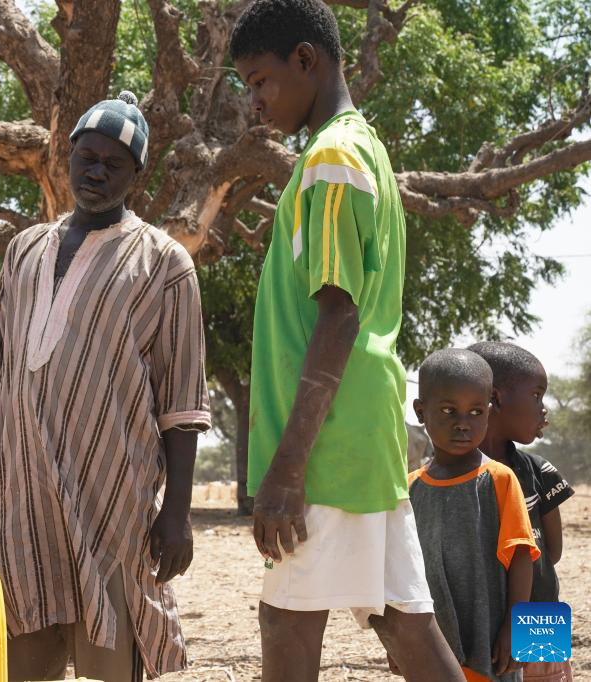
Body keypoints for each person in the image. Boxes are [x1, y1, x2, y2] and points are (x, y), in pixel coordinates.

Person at [229, 2, 465, 680]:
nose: (254, 101)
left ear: (305, 59)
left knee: (285, 622)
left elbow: (338, 316)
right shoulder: (359, 149)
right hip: (362, 438)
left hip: (326, 447)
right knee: (403, 625)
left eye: (259, 81)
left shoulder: (332, 157)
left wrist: (287, 466)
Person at [0, 91, 211, 682]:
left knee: (113, 658)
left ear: (136, 175)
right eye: (87, 158)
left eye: (113, 164)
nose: (96, 173)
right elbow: (0, 379)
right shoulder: (23, 251)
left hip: (112, 491)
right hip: (21, 494)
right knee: (23, 652)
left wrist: (177, 513)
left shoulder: (165, 263)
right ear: (65, 159)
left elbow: (182, 405)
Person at [406, 348, 539, 681]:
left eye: (476, 412)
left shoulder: (499, 479)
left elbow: (521, 556)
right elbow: (403, 570)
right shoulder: (410, 488)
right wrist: (402, 641)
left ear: (488, 413)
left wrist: (515, 628)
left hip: (492, 645)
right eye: (448, 410)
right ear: (421, 411)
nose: (462, 424)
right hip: (431, 644)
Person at [469, 341, 575, 682]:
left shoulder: (540, 472)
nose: (543, 409)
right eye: (536, 395)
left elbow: (550, 555)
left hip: (540, 618)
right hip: (478, 624)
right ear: (496, 398)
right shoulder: (448, 478)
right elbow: (549, 552)